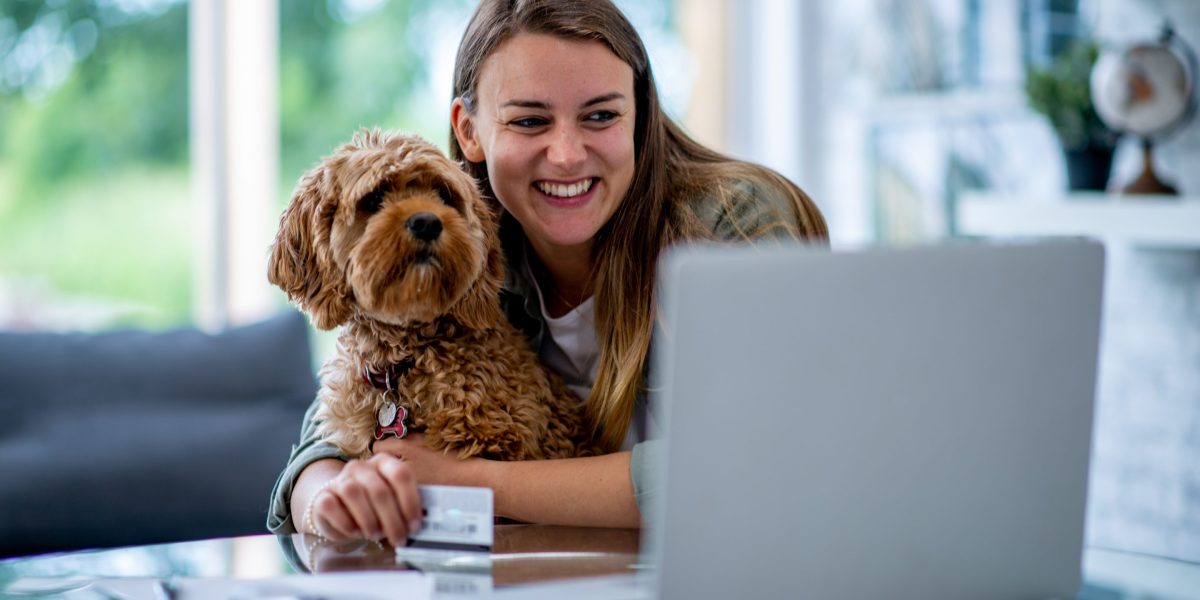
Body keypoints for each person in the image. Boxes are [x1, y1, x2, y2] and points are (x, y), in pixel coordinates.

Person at [268, 0, 828, 547]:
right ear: (469, 129)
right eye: (530, 120)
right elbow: (328, 437)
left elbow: (757, 465)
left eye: (601, 115)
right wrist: (332, 501)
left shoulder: (735, 223)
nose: (565, 155)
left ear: (640, 115)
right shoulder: (473, 245)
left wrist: (474, 482)